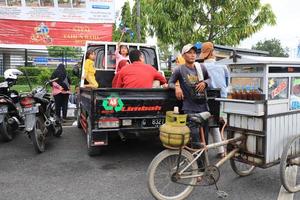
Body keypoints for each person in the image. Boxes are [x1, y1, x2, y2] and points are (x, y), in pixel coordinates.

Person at [168, 44, 211, 150]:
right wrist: (177, 88)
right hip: (189, 107)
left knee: (204, 138)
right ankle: (194, 160)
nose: (192, 55)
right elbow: (170, 83)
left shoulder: (201, 67)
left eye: (194, 53)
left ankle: (203, 161)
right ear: (183, 55)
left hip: (203, 106)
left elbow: (209, 79)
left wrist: (205, 83)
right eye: (189, 53)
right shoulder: (179, 69)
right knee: (194, 138)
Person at [200, 41, 229, 158]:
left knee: (206, 124)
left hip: (206, 101)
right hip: (222, 101)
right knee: (215, 125)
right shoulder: (223, 67)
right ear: (213, 52)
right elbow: (226, 84)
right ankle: (221, 150)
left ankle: (204, 150)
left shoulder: (200, 67)